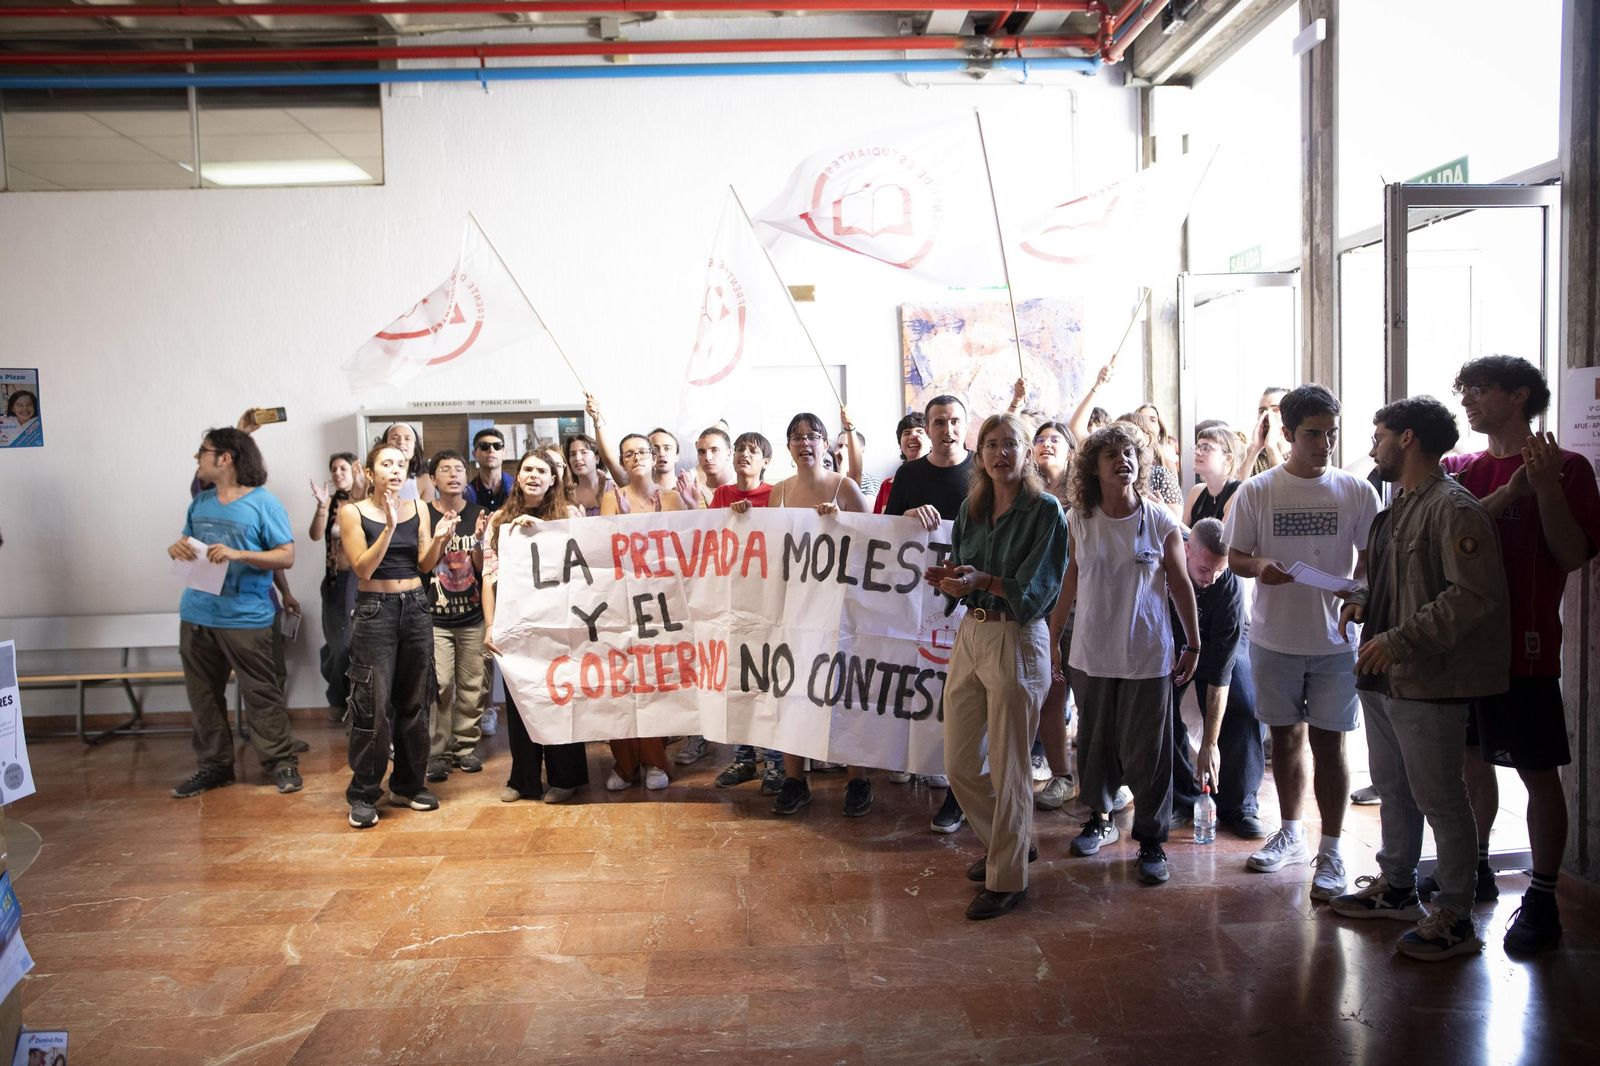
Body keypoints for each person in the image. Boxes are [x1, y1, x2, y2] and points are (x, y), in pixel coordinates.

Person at [1326, 395, 1509, 962]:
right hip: (1386, 677)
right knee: (1395, 788)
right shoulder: (1398, 507)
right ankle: (1399, 886)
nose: (1373, 445)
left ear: (1406, 438)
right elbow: (1399, 585)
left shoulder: (1454, 509)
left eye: (1379, 434)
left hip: (1428, 678)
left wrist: (1399, 639)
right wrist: (1362, 600)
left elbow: (1473, 596)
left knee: (1441, 798)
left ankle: (1456, 915)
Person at [1439, 355, 1600, 953]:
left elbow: (1571, 555)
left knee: (1538, 774)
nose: (1468, 401)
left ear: (1520, 394)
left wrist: (1547, 488)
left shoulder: (1571, 468)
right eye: (1464, 390)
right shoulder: (1460, 468)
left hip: (1527, 650)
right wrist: (1511, 490)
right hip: (1461, 648)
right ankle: (1475, 865)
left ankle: (1542, 895)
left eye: (1478, 390)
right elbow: (1447, 545)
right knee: (1469, 765)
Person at [1222, 384, 1379, 900]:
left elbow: (1369, 560)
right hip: (1274, 637)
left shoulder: (1357, 491)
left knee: (1330, 741)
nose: (1324, 444)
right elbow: (1238, 557)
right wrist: (1261, 567)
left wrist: (1357, 594)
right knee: (1285, 737)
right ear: (1287, 434)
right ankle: (1290, 831)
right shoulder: (1258, 491)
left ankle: (1331, 850)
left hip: (1336, 640)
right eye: (1313, 434)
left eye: (1330, 434)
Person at [930, 413, 1068, 919]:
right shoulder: (971, 507)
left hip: (1016, 633)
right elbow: (964, 570)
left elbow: (1036, 591)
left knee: (1011, 767)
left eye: (1010, 444)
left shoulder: (1046, 511)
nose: (999, 453)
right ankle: (1011, 841)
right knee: (959, 764)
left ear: (1027, 451)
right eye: (990, 445)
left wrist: (983, 580)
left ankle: (1008, 876)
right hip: (972, 632)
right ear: (979, 454)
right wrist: (949, 582)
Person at [1052, 422, 1200, 885]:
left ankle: (1151, 840)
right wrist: (1053, 640)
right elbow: (1069, 583)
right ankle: (1097, 818)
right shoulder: (1080, 519)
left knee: (1149, 752)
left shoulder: (1159, 521)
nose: (1124, 460)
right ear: (1093, 467)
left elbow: (1180, 584)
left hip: (1146, 655)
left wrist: (1193, 642)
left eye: (1131, 452)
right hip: (1091, 653)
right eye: (1112, 454)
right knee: (1094, 744)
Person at [167, 428, 303, 798]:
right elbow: (187, 543)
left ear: (225, 458)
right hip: (197, 614)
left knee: (261, 694)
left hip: (246, 618)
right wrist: (177, 549)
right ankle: (214, 767)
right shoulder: (200, 503)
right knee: (203, 696)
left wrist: (239, 554)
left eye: (203, 451)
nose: (197, 458)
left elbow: (286, 556)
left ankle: (281, 763)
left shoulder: (264, 503)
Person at [338, 441, 455, 828]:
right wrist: (388, 527)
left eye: (401, 464)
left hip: (417, 607)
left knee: (415, 701)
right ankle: (364, 793)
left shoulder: (418, 507)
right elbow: (363, 569)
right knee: (372, 703)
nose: (395, 470)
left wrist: (440, 539)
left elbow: (424, 564)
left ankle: (407, 785)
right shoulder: (352, 511)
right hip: (376, 612)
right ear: (370, 473)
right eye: (386, 464)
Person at [767, 412, 874, 817]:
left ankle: (858, 778)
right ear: (789, 446)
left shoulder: (844, 487)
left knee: (845, 693)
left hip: (840, 609)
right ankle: (795, 779)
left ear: (826, 443)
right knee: (791, 691)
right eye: (796, 436)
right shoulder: (778, 492)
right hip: (792, 608)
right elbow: (765, 544)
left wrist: (842, 522)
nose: (804, 442)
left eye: (812, 436)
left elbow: (874, 541)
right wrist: (743, 513)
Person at [884, 394, 974, 833]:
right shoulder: (909, 474)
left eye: (955, 420)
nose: (947, 429)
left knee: (965, 701)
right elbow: (885, 532)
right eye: (939, 422)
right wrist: (906, 515)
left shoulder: (982, 471)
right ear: (928, 427)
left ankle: (960, 796)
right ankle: (921, 764)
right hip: (918, 603)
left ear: (966, 424)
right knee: (927, 691)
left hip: (973, 604)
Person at [482, 451, 593, 804]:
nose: (533, 475)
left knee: (561, 696)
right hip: (516, 624)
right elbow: (489, 577)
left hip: (559, 623)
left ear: (552, 480)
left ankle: (566, 777)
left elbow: (585, 567)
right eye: (527, 469)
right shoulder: (499, 519)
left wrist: (543, 533)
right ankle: (523, 779)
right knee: (520, 700)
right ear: (518, 477)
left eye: (541, 470)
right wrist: (490, 625)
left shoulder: (569, 514)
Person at [1169, 518, 1267, 839]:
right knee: (1156, 702)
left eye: (1219, 571)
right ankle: (1182, 798)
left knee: (1244, 700)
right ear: (1187, 550)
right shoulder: (1166, 559)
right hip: (1173, 639)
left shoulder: (1228, 586)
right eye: (1203, 570)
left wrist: (1210, 743)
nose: (1210, 579)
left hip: (1220, 641)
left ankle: (1239, 803)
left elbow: (1221, 672)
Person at [708, 432, 788, 792]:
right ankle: (743, 759)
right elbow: (707, 538)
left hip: (767, 600)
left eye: (753, 451)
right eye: (739, 449)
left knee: (767, 679)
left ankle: (774, 762)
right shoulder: (723, 495)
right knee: (737, 678)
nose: (744, 455)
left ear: (766, 461)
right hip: (730, 600)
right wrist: (729, 517)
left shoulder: (776, 494)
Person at [423, 449, 489, 784]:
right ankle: (438, 753)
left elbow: (482, 569)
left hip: (472, 617)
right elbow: (422, 564)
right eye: (445, 469)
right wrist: (440, 538)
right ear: (433, 478)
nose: (453, 474)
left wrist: (476, 541)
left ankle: (465, 747)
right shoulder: (424, 515)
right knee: (440, 684)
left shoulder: (479, 513)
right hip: (435, 618)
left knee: (472, 685)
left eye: (459, 469)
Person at [1031, 419, 1077, 811]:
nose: (1046, 445)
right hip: (1044, 609)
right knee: (1051, 692)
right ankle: (1061, 775)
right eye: (1040, 440)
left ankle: (1108, 779)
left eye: (1055, 440)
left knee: (1094, 700)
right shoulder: (1025, 497)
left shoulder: (1085, 499)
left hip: (1083, 608)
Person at [309, 452, 364, 721]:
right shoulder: (329, 503)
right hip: (333, 582)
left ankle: (349, 700)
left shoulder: (364, 502)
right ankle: (339, 699)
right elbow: (316, 535)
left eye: (343, 468)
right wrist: (321, 505)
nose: (338, 473)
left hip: (358, 582)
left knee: (351, 644)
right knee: (336, 646)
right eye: (333, 469)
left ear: (355, 471)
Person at [600, 431, 702, 514]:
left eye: (643, 452)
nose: (637, 458)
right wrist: (623, 518)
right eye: (629, 454)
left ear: (654, 459)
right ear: (622, 464)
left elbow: (686, 535)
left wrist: (693, 506)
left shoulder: (674, 497)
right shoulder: (611, 499)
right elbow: (606, 537)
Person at [1184, 422, 1244, 526]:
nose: (1197, 452)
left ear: (1228, 458)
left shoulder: (1239, 493)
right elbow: (1182, 536)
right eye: (1197, 447)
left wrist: (1168, 516)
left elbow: (1219, 540)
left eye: (1206, 448)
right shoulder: (1196, 491)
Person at [873, 413, 931, 515]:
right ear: (900, 445)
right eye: (907, 433)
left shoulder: (940, 477)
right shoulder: (887, 485)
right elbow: (878, 523)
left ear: (931, 442)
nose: (913, 435)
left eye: (920, 431)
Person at [565, 431, 617, 516]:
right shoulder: (567, 492)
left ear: (597, 458)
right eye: (573, 454)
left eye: (584, 452)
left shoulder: (613, 487)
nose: (577, 458)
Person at [834, 407, 880, 500]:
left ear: (861, 452)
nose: (841, 451)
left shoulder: (872, 481)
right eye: (839, 445)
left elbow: (867, 510)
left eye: (847, 446)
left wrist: (843, 472)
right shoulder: (829, 476)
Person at [1243, 387, 1291, 476]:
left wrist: (1271, 446)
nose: (1267, 415)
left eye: (1275, 409)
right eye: (1262, 411)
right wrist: (1253, 448)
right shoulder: (1252, 455)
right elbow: (1237, 488)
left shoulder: (1301, 454)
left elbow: (1287, 485)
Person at [380, 422, 433, 502]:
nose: (401, 442)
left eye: (407, 438)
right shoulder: (373, 477)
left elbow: (426, 514)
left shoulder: (424, 481)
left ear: (415, 446)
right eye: (394, 438)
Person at [465, 427, 514, 511]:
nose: (491, 450)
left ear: (504, 453)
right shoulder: (466, 493)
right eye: (484, 446)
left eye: (497, 446)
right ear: (474, 454)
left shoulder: (517, 487)